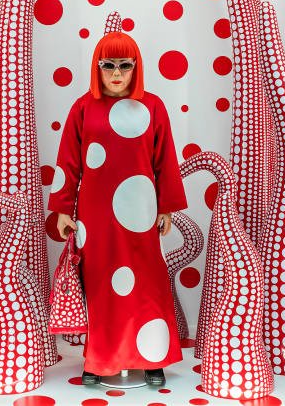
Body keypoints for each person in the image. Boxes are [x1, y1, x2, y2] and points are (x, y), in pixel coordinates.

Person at [47, 31, 188, 387]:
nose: (116, 73)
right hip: (95, 214)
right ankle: (99, 358)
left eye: (125, 65)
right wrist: (63, 209)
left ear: (136, 68)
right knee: (100, 285)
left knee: (147, 282)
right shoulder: (82, 107)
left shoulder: (153, 107)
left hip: (141, 210)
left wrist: (167, 206)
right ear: (97, 67)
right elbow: (68, 161)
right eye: (108, 65)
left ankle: (152, 356)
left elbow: (165, 160)